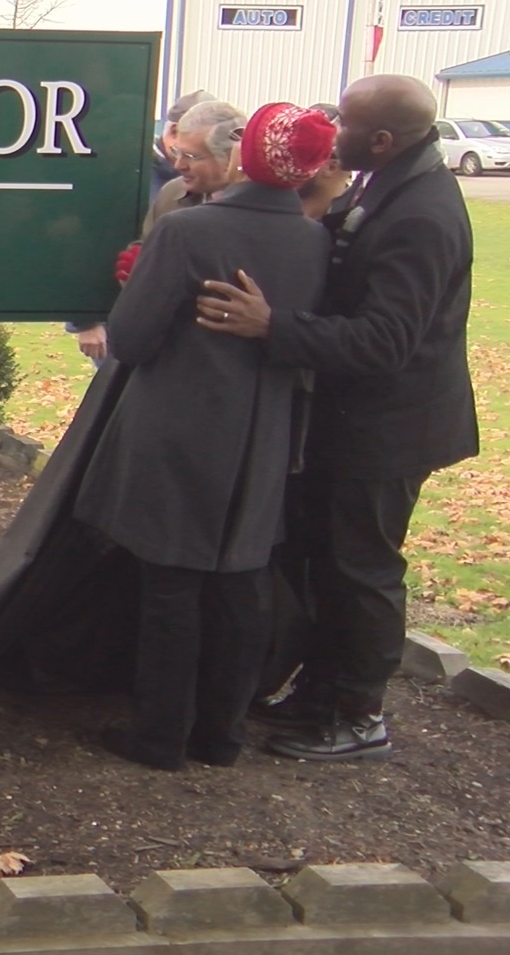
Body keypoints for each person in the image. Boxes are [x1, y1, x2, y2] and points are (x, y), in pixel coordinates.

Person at [196, 74, 478, 761]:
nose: (330, 126)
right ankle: (320, 692)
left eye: (344, 121)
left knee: (361, 570)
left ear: (380, 139)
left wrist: (273, 326)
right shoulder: (385, 186)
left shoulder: (421, 214)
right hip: (356, 421)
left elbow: (386, 339)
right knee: (325, 561)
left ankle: (358, 715)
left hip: (391, 428)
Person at [75, 102, 335, 772]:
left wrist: (136, 285)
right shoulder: (312, 239)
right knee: (241, 582)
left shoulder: (189, 230)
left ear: (247, 154)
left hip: (181, 425)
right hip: (263, 430)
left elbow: (132, 338)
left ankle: (160, 735)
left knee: (172, 585)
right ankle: (221, 735)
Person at [69, 97, 242, 364]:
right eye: (178, 153)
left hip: (228, 360)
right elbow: (144, 252)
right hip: (166, 355)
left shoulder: (262, 209)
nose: (179, 165)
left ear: (229, 158)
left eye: (192, 157)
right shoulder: (172, 193)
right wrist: (141, 269)